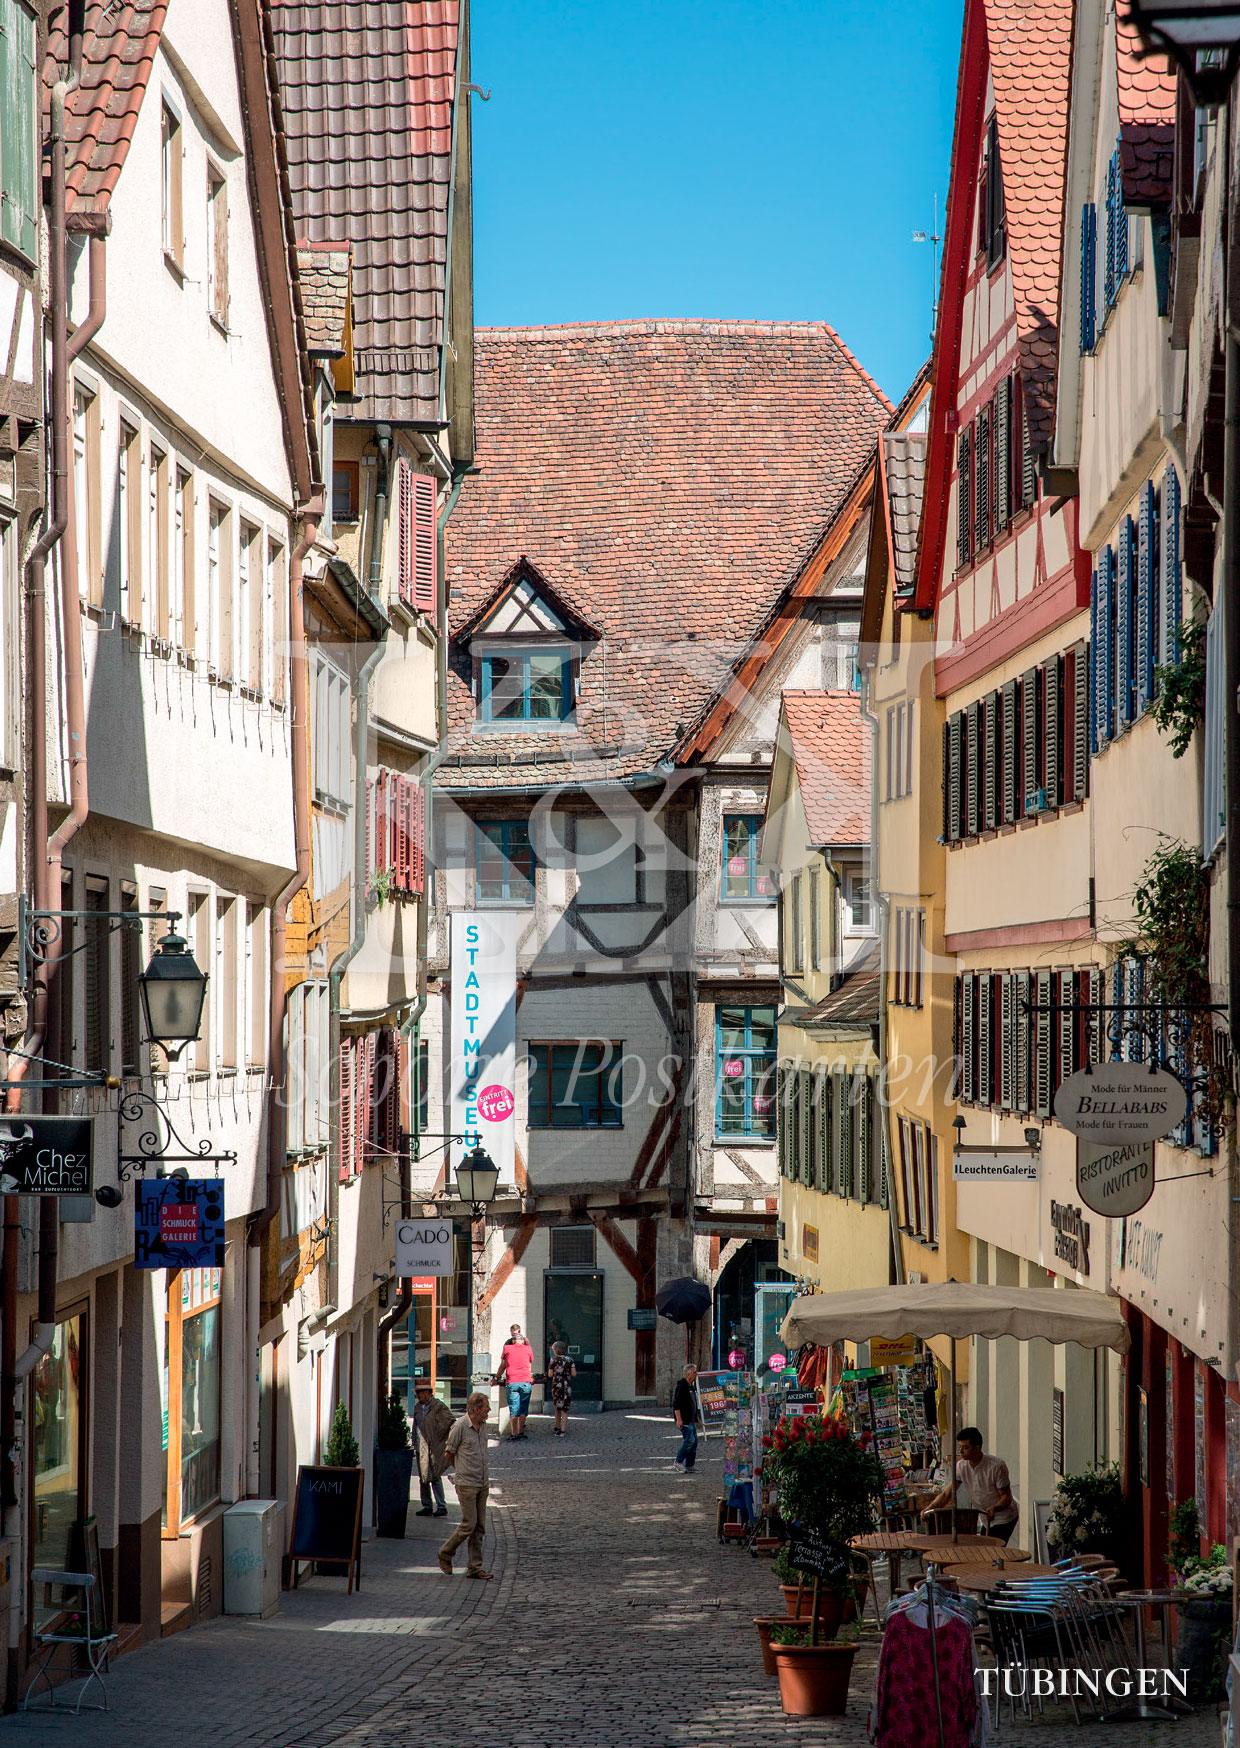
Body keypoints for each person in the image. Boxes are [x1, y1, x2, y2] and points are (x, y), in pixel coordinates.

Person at [920, 1426, 1019, 1543]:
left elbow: (1006, 1497)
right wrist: (928, 1508)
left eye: (965, 1448)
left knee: (991, 1550)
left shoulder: (996, 1466)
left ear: (977, 1448)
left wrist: (994, 1508)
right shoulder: (961, 1466)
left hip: (1003, 1518)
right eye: (960, 1447)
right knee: (983, 1550)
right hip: (985, 1518)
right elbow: (947, 1493)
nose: (961, 1452)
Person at [438, 1392, 492, 1579]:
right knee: (469, 1524)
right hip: (466, 1483)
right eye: (486, 1407)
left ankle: (474, 1567)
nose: (489, 1410)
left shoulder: (483, 1426)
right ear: (476, 1409)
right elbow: (448, 1453)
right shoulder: (460, 1426)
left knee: (479, 1527)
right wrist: (461, 1470)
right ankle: (445, 1552)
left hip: (482, 1482)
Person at [411, 1381, 454, 1517]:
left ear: (427, 1393)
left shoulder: (438, 1406)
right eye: (416, 1393)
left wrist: (439, 1437)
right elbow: (415, 1425)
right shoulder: (418, 1407)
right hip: (420, 1446)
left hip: (433, 1447)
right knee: (423, 1476)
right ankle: (427, 1505)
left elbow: (450, 1421)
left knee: (435, 1475)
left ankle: (441, 1506)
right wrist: (414, 1440)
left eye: (419, 1393)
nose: (417, 1395)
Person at [497, 1322, 534, 1440]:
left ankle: (513, 1434)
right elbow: (529, 1365)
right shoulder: (528, 1348)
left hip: (512, 1381)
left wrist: (497, 1378)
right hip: (525, 1381)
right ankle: (521, 1432)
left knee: (513, 1408)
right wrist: (529, 1376)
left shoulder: (507, 1348)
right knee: (523, 1408)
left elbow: (503, 1365)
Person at [671, 1363, 701, 1475]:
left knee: (694, 1443)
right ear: (688, 1374)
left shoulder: (691, 1386)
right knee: (689, 1441)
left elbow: (692, 1402)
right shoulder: (682, 1386)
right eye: (694, 1372)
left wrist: (696, 1415)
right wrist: (678, 1419)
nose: (696, 1374)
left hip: (691, 1419)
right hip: (684, 1420)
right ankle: (678, 1461)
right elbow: (676, 1404)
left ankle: (690, 1465)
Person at [546, 1340, 576, 1436]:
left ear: (555, 1350)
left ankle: (557, 1426)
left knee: (557, 1407)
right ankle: (563, 1430)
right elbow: (574, 1373)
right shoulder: (570, 1360)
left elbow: (550, 1374)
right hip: (566, 1385)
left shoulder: (553, 1360)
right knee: (565, 1409)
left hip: (556, 1385)